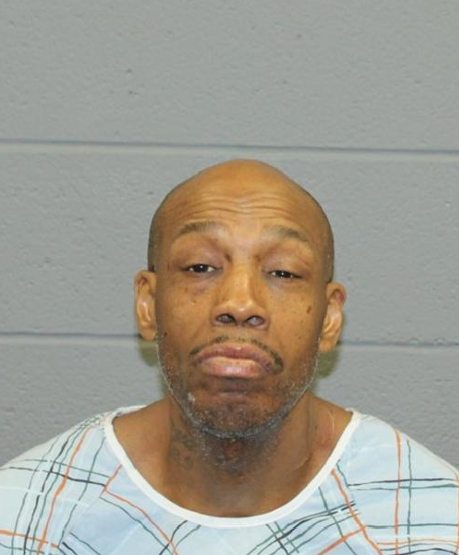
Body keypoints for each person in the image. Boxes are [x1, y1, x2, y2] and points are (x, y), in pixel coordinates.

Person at [0, 160, 457, 555]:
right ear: (148, 304)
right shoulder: (27, 521)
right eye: (200, 267)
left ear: (330, 318)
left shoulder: (431, 525)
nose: (240, 303)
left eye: (283, 272)